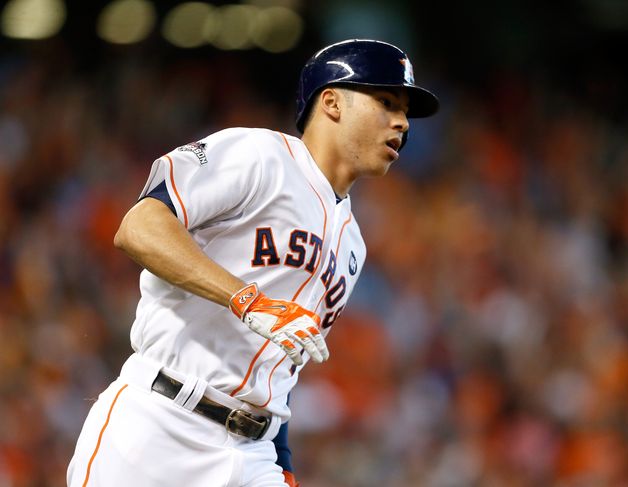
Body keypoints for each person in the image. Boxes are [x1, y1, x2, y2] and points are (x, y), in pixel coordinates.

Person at [67, 38, 439, 487]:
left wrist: (282, 466)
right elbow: (139, 226)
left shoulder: (353, 245)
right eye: (386, 101)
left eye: (404, 111)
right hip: (158, 426)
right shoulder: (258, 155)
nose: (401, 121)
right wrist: (248, 300)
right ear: (332, 102)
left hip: (252, 454)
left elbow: (280, 370)